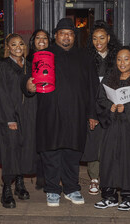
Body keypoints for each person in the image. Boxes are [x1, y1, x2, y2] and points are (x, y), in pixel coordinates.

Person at [25, 18, 99, 207]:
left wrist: (92, 114)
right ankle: (52, 190)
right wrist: (28, 86)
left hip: (76, 113)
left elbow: (93, 88)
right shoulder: (43, 54)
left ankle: (71, 188)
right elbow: (29, 80)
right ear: (55, 35)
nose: (66, 36)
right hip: (50, 112)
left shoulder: (85, 57)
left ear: (74, 36)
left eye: (70, 33)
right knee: (51, 153)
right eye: (62, 33)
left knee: (72, 153)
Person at [94, 46, 130, 211]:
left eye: (126, 59)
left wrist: (126, 108)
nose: (122, 62)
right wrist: (110, 107)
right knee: (109, 160)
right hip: (111, 127)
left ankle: (128, 196)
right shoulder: (108, 79)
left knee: (128, 160)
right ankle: (109, 196)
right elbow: (100, 100)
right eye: (119, 59)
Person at [0, 33, 37, 208]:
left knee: (24, 148)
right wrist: (9, 118)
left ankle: (20, 184)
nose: (18, 47)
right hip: (9, 115)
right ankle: (6, 189)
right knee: (10, 152)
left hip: (27, 115)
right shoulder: (2, 66)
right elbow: (1, 94)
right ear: (8, 47)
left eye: (21, 44)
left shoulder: (29, 66)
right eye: (14, 44)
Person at [82, 20, 121, 196]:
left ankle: (110, 177)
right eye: (95, 38)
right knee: (94, 144)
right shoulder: (86, 58)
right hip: (94, 106)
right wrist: (91, 113)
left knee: (112, 143)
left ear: (108, 38)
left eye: (102, 38)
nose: (98, 42)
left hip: (113, 105)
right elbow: (84, 89)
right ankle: (94, 178)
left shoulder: (117, 57)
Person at [26, 29, 50, 190]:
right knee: (34, 142)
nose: (41, 40)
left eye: (45, 38)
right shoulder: (27, 60)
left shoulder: (54, 57)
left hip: (49, 103)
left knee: (48, 143)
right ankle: (38, 175)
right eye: (38, 38)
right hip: (32, 104)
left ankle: (47, 177)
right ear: (33, 41)